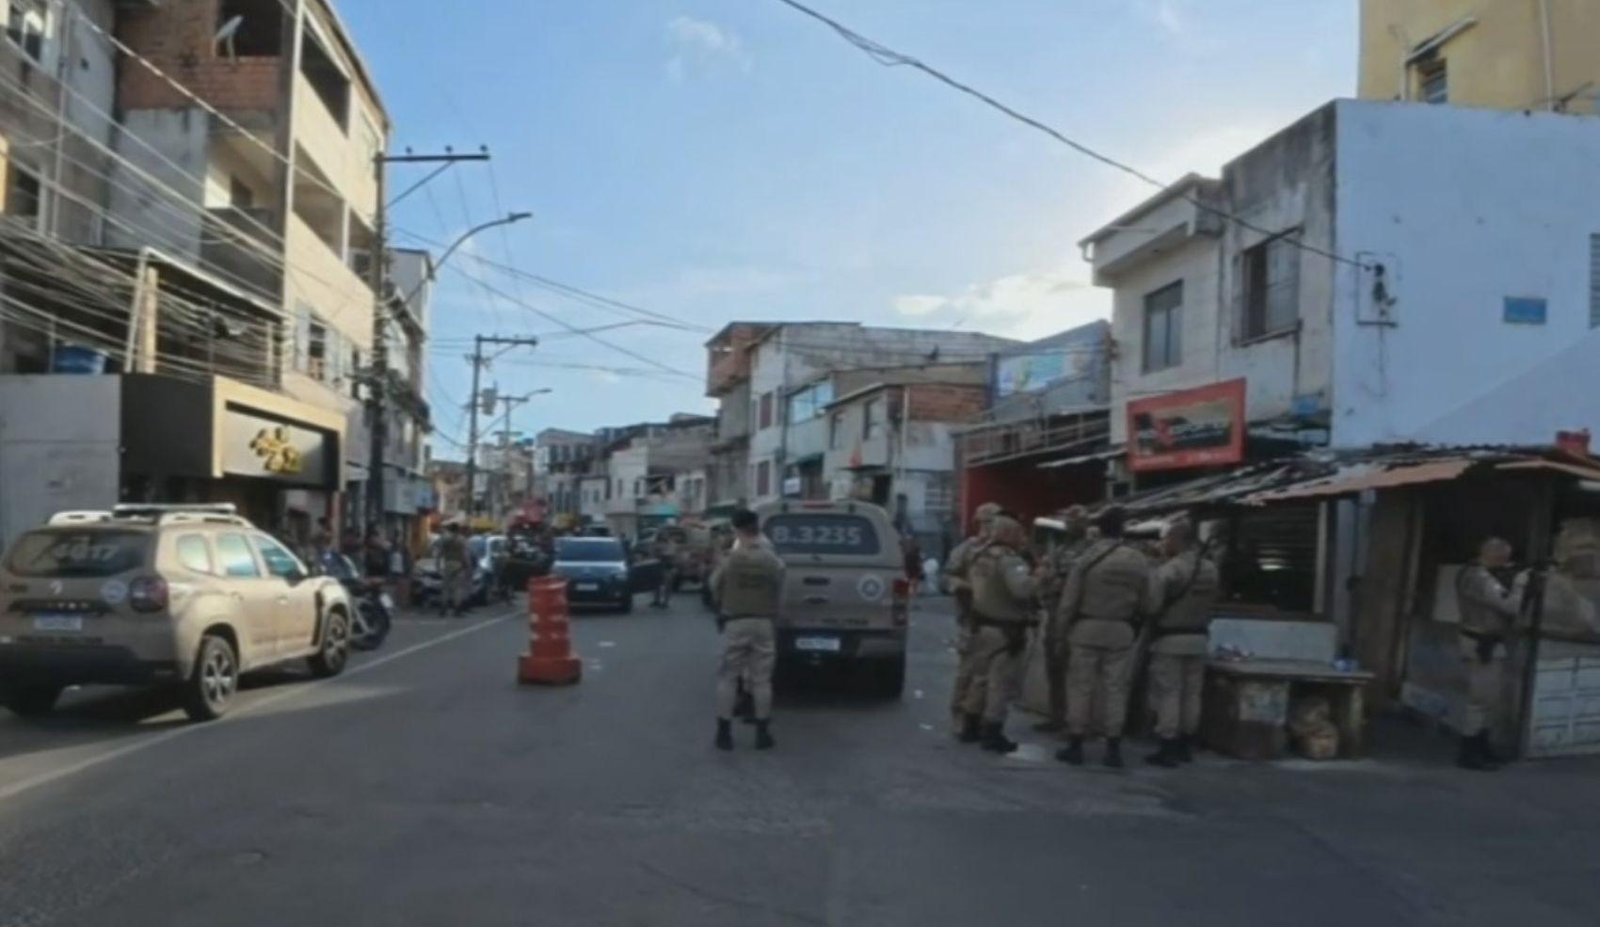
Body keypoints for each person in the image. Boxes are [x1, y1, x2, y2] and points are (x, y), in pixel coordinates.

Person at [1053, 506, 1159, 769]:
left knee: (1080, 686)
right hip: (1121, 631)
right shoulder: (1137, 560)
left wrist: (1060, 632)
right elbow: (1150, 603)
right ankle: (1113, 747)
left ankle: (1076, 743)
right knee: (1116, 689)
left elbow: (1068, 602)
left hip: (1086, 628)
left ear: (1099, 529)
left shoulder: (1087, 558)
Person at [1143, 521, 1220, 768]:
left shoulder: (1171, 570)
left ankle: (1168, 743)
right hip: (1199, 639)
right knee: (1192, 693)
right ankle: (1187, 742)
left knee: (1169, 693)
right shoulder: (1211, 569)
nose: (1164, 544)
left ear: (1177, 540)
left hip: (1170, 639)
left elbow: (1152, 605)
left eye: (1167, 539)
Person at [962, 515, 1039, 754]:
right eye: (1019, 533)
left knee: (979, 678)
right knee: (1000, 684)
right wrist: (1040, 577)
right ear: (1010, 534)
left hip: (980, 625)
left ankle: (970, 725)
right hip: (1005, 630)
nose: (1023, 539)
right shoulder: (1008, 560)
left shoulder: (979, 555)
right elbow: (1021, 590)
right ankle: (993, 732)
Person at [711, 509, 785, 751]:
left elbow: (714, 584)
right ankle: (762, 733)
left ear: (737, 529)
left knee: (728, 677)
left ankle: (724, 733)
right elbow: (780, 582)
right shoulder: (771, 558)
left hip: (736, 621)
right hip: (763, 622)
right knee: (762, 680)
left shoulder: (731, 558)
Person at [1455, 537, 1529, 771]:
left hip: (1484, 641)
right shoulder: (1479, 577)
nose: (1505, 564)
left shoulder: (1472, 572)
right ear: (1494, 555)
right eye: (1503, 559)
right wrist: (1520, 584)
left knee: (1489, 700)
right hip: (1482, 643)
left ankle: (1482, 746)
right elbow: (1510, 606)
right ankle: (1470, 752)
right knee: (1481, 700)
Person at [945, 502, 1000, 741]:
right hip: (972, 618)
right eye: (986, 522)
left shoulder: (1004, 550)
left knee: (990, 676)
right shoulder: (969, 548)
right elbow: (948, 577)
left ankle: (980, 718)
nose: (989, 527)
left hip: (998, 621)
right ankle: (961, 715)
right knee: (968, 672)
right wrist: (964, 588)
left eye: (993, 521)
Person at [1037, 506, 1091, 734]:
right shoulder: (1060, 548)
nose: (1071, 525)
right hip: (1055, 612)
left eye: (1076, 521)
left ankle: (1075, 721)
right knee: (1055, 667)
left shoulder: (1090, 551)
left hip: (1076, 616)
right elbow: (1048, 575)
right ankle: (1056, 715)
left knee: (1076, 673)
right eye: (1069, 521)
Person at [437, 523, 472, 618]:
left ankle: (443, 608)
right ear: (458, 530)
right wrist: (468, 566)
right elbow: (465, 554)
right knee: (457, 589)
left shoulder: (444, 540)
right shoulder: (461, 540)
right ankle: (457, 609)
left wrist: (438, 565)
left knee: (445, 588)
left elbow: (439, 553)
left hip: (447, 564)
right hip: (458, 565)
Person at [652, 528, 680, 609]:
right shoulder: (656, 543)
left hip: (668, 566)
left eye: (665, 534)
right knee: (656, 584)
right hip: (658, 565)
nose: (663, 536)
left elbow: (671, 554)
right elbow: (652, 553)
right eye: (662, 534)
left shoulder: (671, 544)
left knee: (668, 585)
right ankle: (657, 600)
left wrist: (662, 554)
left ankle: (665, 601)